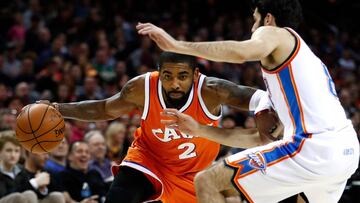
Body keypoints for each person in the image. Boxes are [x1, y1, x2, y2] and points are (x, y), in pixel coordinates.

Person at [137, 0, 360, 202]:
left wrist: (178, 46)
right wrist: (198, 129)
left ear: (268, 19)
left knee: (207, 182)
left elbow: (243, 52)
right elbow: (259, 138)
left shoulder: (277, 34)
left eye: (255, 21)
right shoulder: (298, 75)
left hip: (314, 148)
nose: (253, 29)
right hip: (344, 152)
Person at [39, 51, 278, 203]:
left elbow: (255, 96)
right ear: (159, 73)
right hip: (148, 159)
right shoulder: (141, 88)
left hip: (193, 173)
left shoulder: (212, 90)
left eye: (182, 76)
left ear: (195, 75)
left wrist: (265, 112)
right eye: (167, 76)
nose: (174, 83)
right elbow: (104, 109)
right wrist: (59, 109)